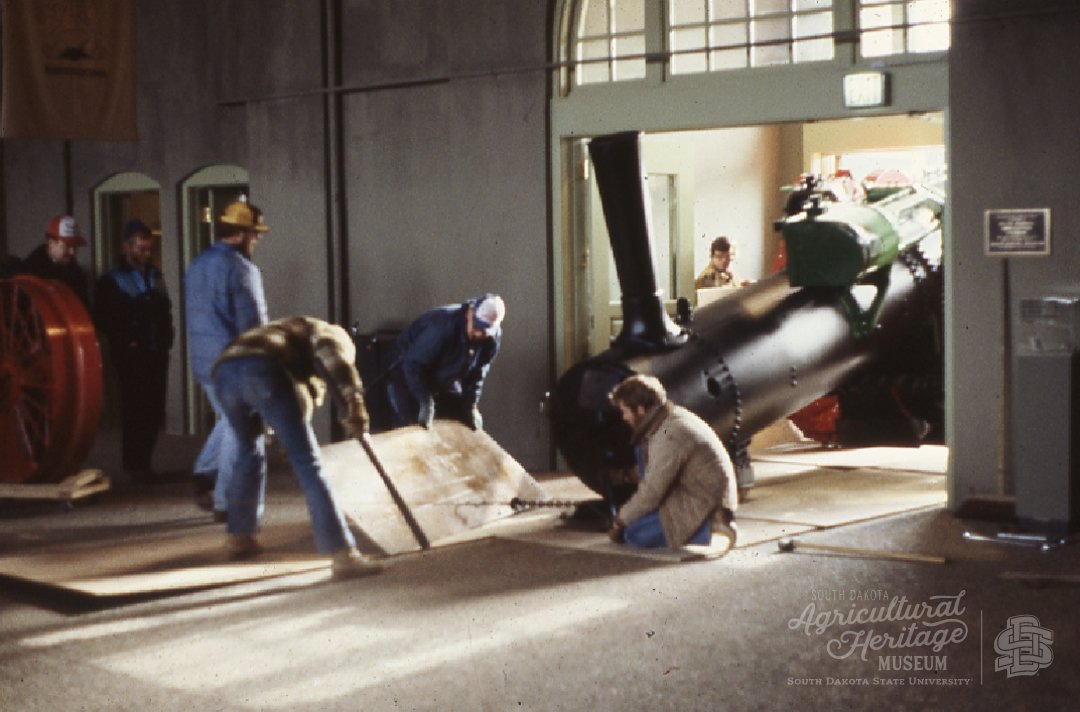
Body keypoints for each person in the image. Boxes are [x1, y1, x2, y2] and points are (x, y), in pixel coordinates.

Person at [211, 316, 381, 579]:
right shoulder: (330, 334)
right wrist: (355, 404)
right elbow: (338, 367)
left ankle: (240, 537)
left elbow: (299, 395)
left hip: (223, 373)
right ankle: (343, 554)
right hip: (261, 368)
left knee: (247, 451)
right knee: (308, 461)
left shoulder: (288, 333)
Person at [185, 201, 270, 517]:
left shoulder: (196, 265)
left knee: (227, 420)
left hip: (204, 363)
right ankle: (227, 503)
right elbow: (254, 329)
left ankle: (204, 471)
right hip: (234, 367)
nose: (258, 240)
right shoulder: (243, 270)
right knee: (241, 430)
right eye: (255, 234)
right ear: (243, 234)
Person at [606, 374, 738, 549]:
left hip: (704, 502)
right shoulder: (666, 418)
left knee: (633, 534)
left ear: (640, 410)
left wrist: (620, 520)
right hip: (696, 489)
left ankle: (711, 527)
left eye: (625, 411)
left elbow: (652, 492)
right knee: (640, 450)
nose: (623, 417)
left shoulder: (669, 436)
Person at [93, 219, 175, 481]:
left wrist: (166, 339)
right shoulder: (112, 280)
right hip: (131, 357)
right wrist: (127, 342)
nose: (146, 254)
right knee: (135, 410)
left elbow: (165, 310)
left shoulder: (155, 275)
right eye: (141, 248)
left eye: (148, 249)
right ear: (126, 247)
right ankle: (133, 465)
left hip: (156, 352)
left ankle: (145, 464)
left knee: (153, 409)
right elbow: (105, 318)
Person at [384, 293, 505, 431]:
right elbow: (412, 365)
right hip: (405, 371)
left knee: (458, 418)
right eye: (477, 327)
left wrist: (470, 404)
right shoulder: (441, 327)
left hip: (443, 374)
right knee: (412, 424)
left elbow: (477, 373)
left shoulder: (491, 340)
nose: (479, 334)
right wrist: (425, 400)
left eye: (485, 331)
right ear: (470, 313)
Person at [18, 215, 90, 304]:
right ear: (51, 243)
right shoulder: (30, 273)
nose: (72, 252)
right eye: (67, 246)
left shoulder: (78, 275)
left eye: (75, 246)